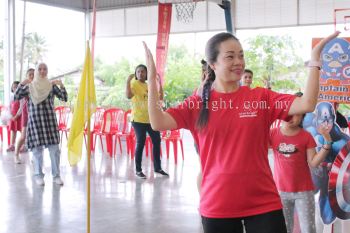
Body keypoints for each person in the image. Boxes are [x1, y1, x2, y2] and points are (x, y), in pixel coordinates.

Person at [143, 30, 340, 233]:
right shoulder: (197, 104)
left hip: (264, 203)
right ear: (213, 64)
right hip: (217, 205)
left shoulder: (261, 98)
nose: (238, 61)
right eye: (230, 56)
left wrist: (315, 60)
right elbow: (158, 122)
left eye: (241, 55)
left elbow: (307, 103)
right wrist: (151, 81)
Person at [269, 93, 332, 233]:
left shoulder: (306, 136)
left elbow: (314, 162)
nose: (291, 117)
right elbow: (255, 146)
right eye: (288, 113)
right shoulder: (272, 134)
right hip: (280, 192)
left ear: (302, 116)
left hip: (304, 191)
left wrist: (327, 142)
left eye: (296, 114)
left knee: (308, 229)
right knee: (285, 228)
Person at [14, 63, 67, 186]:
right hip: (36, 123)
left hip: (50, 123)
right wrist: (22, 83)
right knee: (37, 151)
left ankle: (56, 176)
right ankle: (38, 175)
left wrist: (61, 85)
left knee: (54, 151)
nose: (42, 71)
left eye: (45, 69)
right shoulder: (30, 87)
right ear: (37, 71)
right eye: (40, 69)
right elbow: (16, 96)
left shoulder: (51, 86)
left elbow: (64, 97)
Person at [126, 64, 168, 179]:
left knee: (157, 141)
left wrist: (159, 83)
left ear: (146, 74)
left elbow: (159, 99)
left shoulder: (149, 85)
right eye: (138, 71)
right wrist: (128, 81)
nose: (140, 73)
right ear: (135, 73)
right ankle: (138, 170)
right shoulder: (134, 83)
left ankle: (158, 168)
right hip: (138, 119)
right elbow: (128, 96)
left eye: (143, 72)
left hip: (151, 119)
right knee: (141, 142)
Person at [13, 68, 35, 164]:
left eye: (34, 74)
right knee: (23, 136)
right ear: (27, 76)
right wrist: (17, 114)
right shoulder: (24, 88)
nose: (32, 76)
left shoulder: (38, 86)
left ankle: (35, 156)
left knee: (35, 136)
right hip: (26, 114)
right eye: (30, 74)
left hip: (35, 115)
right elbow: (19, 101)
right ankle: (16, 154)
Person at [7, 81, 21, 153]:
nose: (15, 88)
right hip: (12, 116)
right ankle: (12, 145)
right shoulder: (11, 97)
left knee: (22, 130)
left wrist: (17, 115)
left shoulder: (21, 97)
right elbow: (9, 107)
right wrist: (11, 116)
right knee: (13, 130)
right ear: (12, 88)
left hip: (20, 116)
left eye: (17, 87)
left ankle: (23, 145)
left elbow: (21, 107)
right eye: (14, 87)